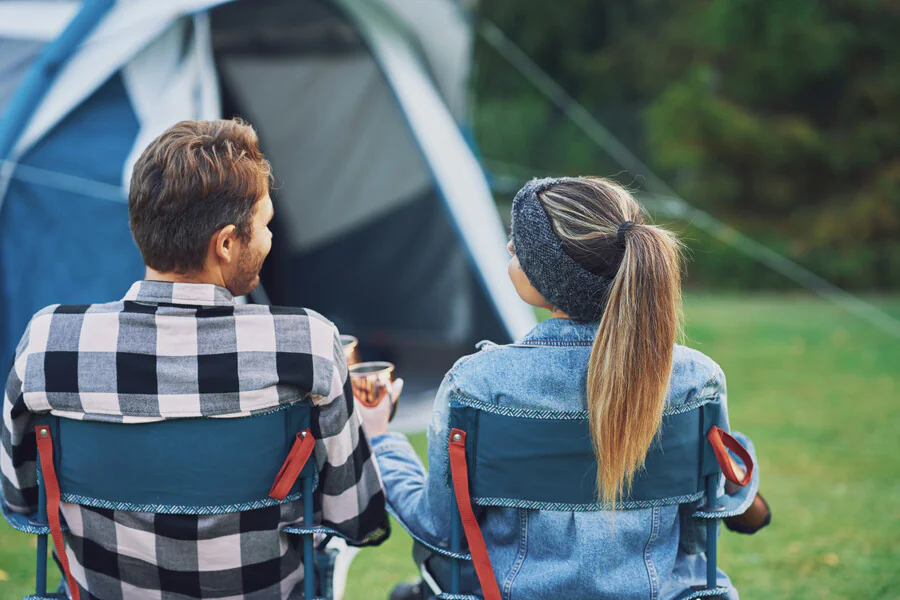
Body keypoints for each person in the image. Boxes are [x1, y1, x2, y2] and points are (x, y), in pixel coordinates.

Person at [1, 119, 389, 599]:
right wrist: (374, 426)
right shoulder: (305, 345)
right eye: (265, 225)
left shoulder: (47, 345)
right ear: (226, 244)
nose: (269, 240)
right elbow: (355, 517)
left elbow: (23, 502)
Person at [361, 177, 770, 599]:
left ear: (548, 276)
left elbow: (441, 526)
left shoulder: (478, 384)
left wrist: (379, 438)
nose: (508, 248)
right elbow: (707, 514)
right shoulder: (694, 380)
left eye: (519, 244)